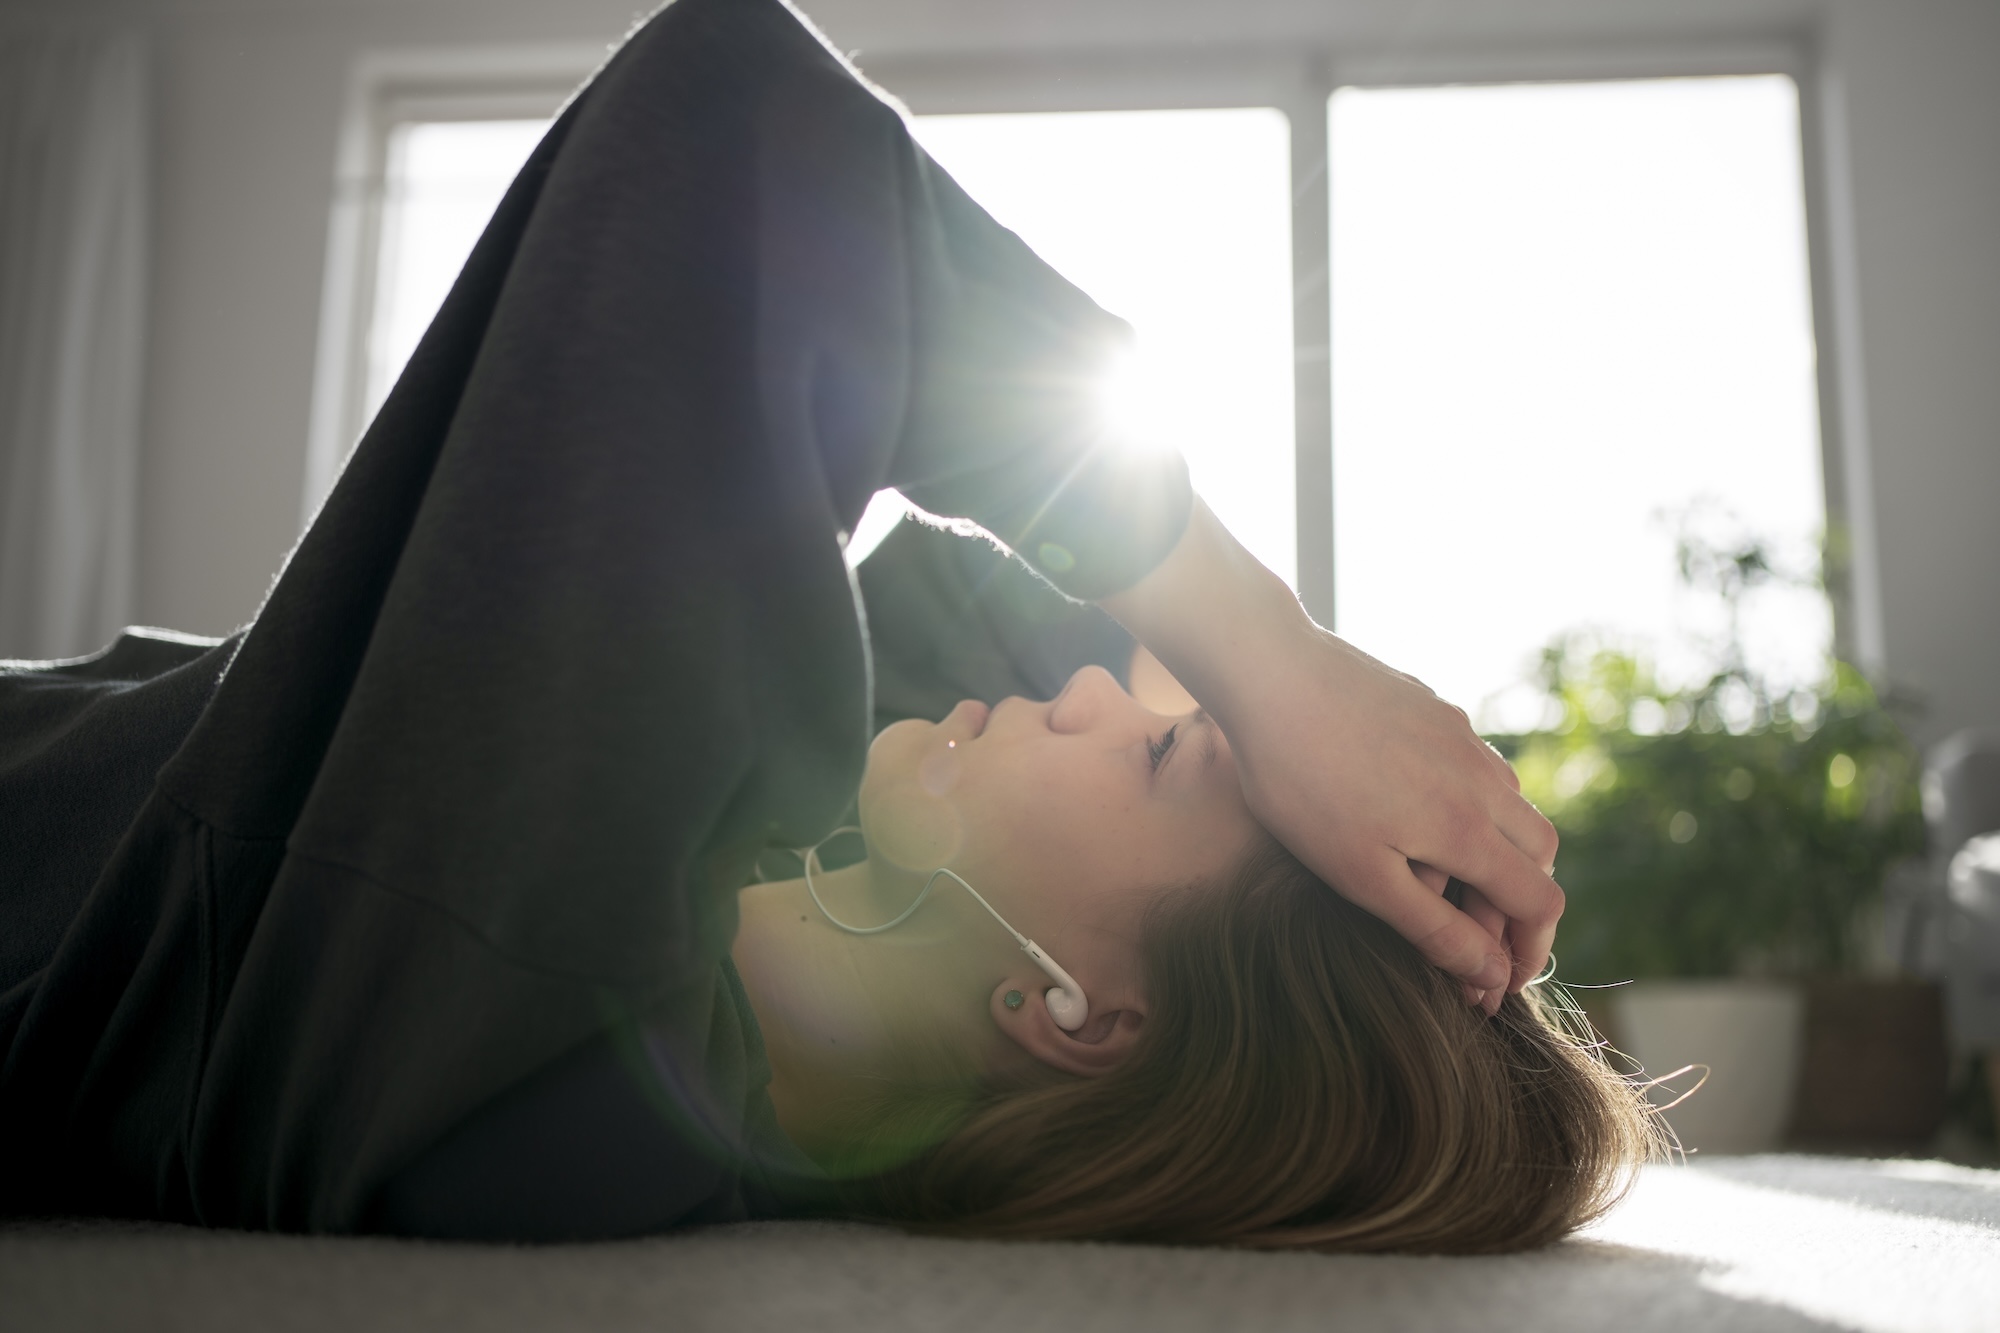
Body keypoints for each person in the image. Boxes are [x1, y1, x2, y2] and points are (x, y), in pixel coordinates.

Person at [0, 0, 1645, 1246]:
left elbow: (743, 135)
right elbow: (975, 595)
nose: (1086, 688)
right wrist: (1279, 742)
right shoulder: (792, 927)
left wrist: (1270, 656)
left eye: (1152, 750)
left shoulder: (554, 997)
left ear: (1075, 1014)